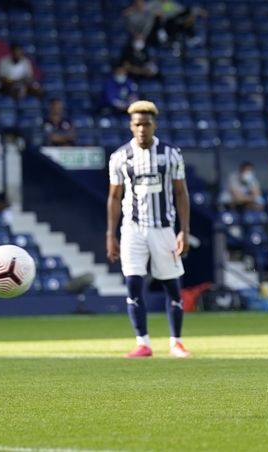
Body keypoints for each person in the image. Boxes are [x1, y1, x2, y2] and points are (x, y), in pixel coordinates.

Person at [106, 100, 192, 359]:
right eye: (137, 124)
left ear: (155, 125)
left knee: (171, 285)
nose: (142, 129)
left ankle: (176, 342)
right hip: (132, 229)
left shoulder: (171, 154)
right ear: (131, 126)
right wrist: (110, 234)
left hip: (163, 229)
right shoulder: (120, 157)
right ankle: (142, 342)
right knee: (133, 283)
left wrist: (184, 230)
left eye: (146, 124)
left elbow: (181, 193)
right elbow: (114, 196)